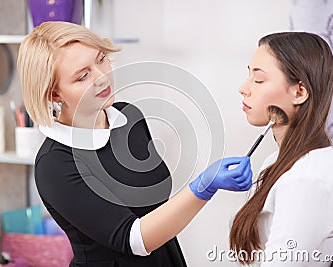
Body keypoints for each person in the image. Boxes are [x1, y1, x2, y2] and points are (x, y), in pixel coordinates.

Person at [17, 21, 253, 267]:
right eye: (83, 75)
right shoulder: (55, 164)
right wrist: (203, 187)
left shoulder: (128, 117)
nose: (102, 77)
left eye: (101, 60)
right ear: (54, 94)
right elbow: (133, 240)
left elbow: (156, 207)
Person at [231, 31, 333, 266]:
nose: (243, 88)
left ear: (299, 92)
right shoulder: (277, 161)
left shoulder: (306, 179)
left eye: (259, 80)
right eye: (248, 76)